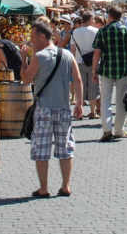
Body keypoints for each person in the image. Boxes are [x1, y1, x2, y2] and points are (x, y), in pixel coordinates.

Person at [22, 20, 83, 197]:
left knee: (42, 148)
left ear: (42, 36)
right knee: (65, 147)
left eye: (33, 36)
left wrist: (23, 59)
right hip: (63, 108)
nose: (31, 40)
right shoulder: (67, 55)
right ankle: (66, 185)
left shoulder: (39, 57)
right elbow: (77, 80)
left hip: (44, 108)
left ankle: (44, 188)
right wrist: (78, 103)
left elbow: (26, 79)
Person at [92, 6, 127, 141]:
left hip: (106, 70)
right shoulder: (126, 31)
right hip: (123, 70)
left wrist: (94, 70)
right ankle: (119, 130)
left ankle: (107, 131)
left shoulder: (103, 31)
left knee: (105, 101)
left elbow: (96, 54)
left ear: (109, 16)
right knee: (121, 102)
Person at [69, 11, 102, 120]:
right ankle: (92, 112)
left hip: (79, 62)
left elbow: (73, 49)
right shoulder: (97, 31)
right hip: (94, 62)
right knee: (93, 86)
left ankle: (80, 111)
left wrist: (72, 64)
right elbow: (100, 48)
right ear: (90, 19)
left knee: (80, 87)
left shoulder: (75, 32)